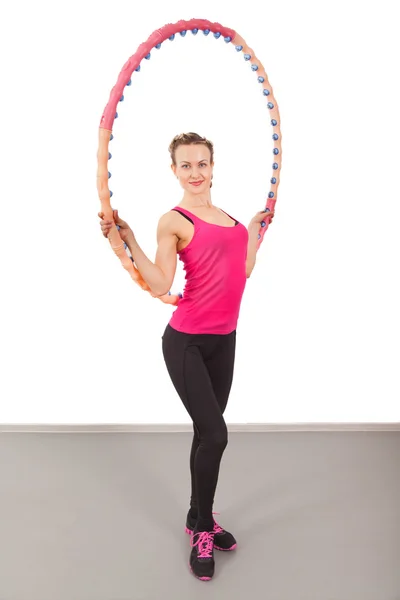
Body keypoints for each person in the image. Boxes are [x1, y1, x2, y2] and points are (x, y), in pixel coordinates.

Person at [99, 132, 275, 581]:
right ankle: (201, 528)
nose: (195, 172)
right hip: (187, 343)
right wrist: (129, 238)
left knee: (205, 431)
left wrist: (254, 230)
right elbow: (160, 283)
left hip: (225, 340)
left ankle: (199, 515)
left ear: (213, 167)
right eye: (186, 165)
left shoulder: (232, 222)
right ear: (174, 171)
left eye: (202, 164)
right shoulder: (173, 220)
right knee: (216, 434)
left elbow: (244, 269)